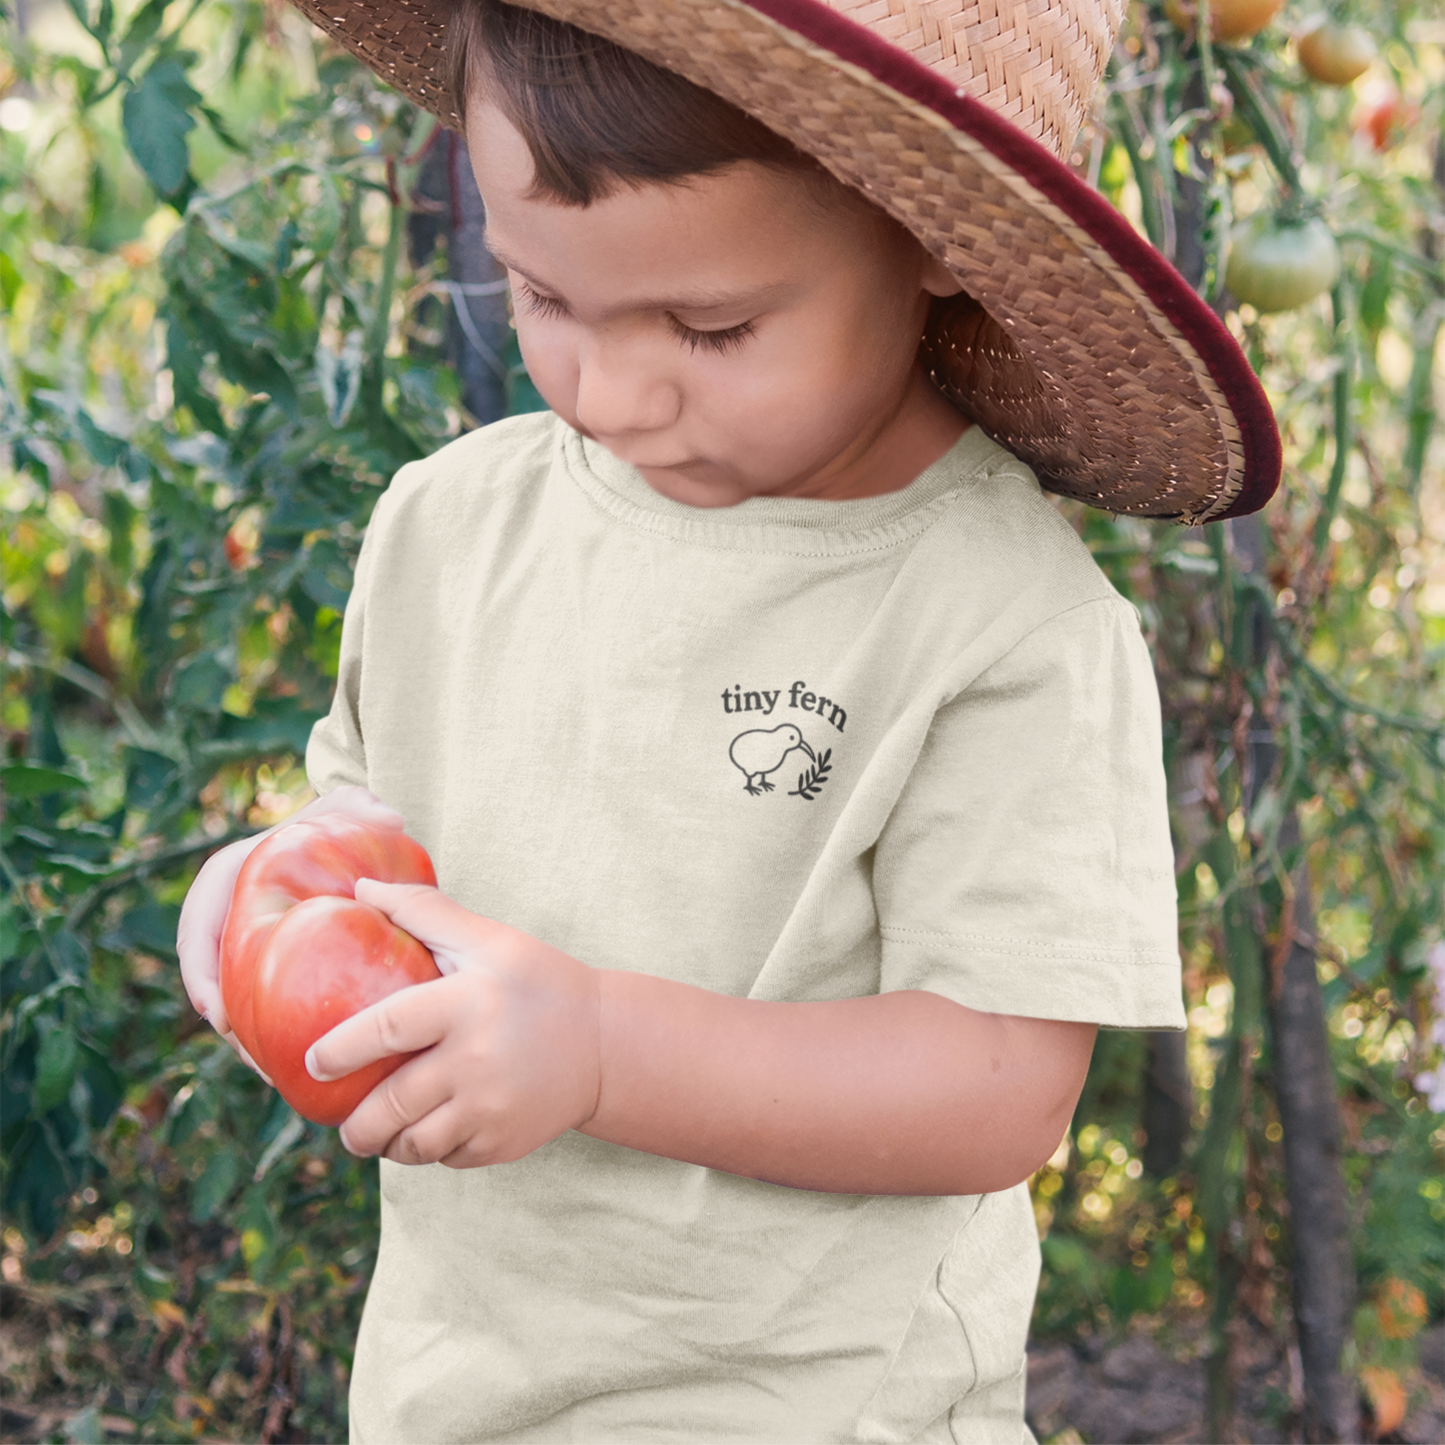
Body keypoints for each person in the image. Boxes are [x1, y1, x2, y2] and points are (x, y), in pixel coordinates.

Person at [177, 0, 1281, 1439]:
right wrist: (272, 912)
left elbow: (997, 1086)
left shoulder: (999, 626)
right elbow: (368, 846)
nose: (611, 393)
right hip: (457, 1393)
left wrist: (599, 1050)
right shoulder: (446, 529)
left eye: (711, 326)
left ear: (932, 240)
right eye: (545, 298)